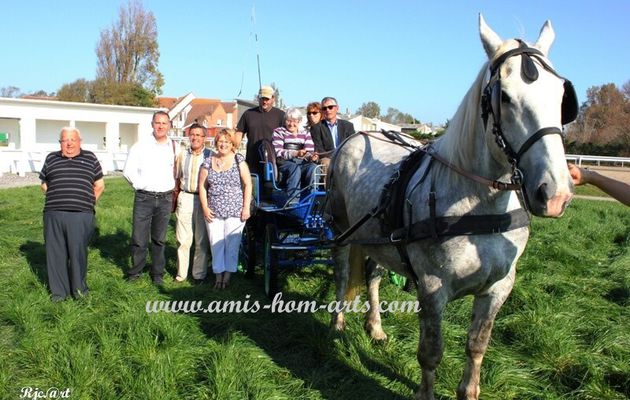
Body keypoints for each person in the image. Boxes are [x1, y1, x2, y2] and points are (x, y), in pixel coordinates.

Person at [39, 127, 105, 301]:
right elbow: (44, 184)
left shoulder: (90, 157)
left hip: (80, 215)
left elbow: (99, 185)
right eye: (64, 140)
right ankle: (59, 294)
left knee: (78, 254)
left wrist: (87, 203)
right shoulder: (51, 158)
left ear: (79, 141)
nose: (69, 143)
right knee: (55, 254)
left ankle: (79, 291)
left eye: (72, 140)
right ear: (60, 142)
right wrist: (58, 197)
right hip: (53, 214)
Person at [123, 111, 176, 285]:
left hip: (165, 199)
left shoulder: (174, 147)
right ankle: (135, 272)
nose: (160, 126)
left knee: (159, 239)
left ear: (169, 126)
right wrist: (141, 185)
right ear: (152, 124)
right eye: (157, 123)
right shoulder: (140, 146)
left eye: (164, 123)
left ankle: (157, 274)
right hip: (144, 198)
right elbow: (128, 170)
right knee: (139, 238)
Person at [199, 129, 252, 289]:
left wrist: (246, 207)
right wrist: (205, 208)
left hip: (235, 211)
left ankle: (227, 276)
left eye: (227, 142)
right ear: (216, 143)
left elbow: (248, 184)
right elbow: (202, 186)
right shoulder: (208, 161)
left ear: (232, 144)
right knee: (216, 244)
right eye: (221, 141)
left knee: (232, 244)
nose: (223, 144)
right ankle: (218, 276)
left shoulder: (238, 160)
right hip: (214, 211)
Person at [173, 123, 213, 284]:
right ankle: (181, 275)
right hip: (186, 196)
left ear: (204, 138)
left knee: (201, 240)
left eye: (199, 135)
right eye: (193, 134)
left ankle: (198, 275)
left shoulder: (210, 155)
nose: (195, 138)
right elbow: (177, 176)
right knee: (183, 239)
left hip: (204, 200)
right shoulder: (182, 155)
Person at [235, 85, 285, 177]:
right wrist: (233, 148)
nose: (264, 101)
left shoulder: (281, 115)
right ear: (258, 98)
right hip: (252, 159)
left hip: (273, 160)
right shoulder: (248, 114)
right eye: (262, 98)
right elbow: (239, 132)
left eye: (267, 99)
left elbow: (287, 135)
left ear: (273, 99)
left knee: (270, 188)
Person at [272, 107, 319, 201]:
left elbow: (309, 151)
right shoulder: (278, 132)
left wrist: (311, 157)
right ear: (285, 121)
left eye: (295, 121)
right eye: (289, 121)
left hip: (301, 163)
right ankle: (292, 201)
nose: (291, 124)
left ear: (300, 121)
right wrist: (296, 153)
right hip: (284, 163)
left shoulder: (305, 133)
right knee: (295, 168)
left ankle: (311, 199)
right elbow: (279, 152)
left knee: (314, 168)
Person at [310, 96, 356, 169]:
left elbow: (353, 145)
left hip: (346, 157)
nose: (327, 110)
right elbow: (319, 149)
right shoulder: (316, 128)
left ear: (337, 108)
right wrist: (335, 156)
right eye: (324, 108)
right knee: (326, 163)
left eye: (330, 107)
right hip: (327, 158)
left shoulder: (348, 126)